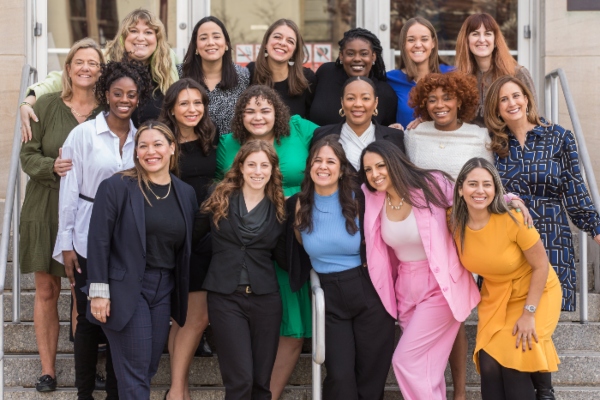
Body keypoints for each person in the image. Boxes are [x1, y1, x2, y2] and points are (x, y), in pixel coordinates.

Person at [485, 75, 600, 398]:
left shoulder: (558, 138)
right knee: (519, 326)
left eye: (516, 95)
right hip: (509, 244)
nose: (512, 103)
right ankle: (544, 393)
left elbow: (575, 191)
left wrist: (595, 227)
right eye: (503, 99)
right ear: (496, 108)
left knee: (538, 324)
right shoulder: (493, 144)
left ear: (527, 98)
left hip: (552, 238)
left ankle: (545, 393)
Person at [52, 60, 152, 399]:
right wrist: (66, 242)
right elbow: (69, 191)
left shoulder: (143, 138)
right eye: (117, 93)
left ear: (139, 98)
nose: (124, 100)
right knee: (88, 316)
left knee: (118, 316)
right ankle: (83, 393)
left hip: (126, 238)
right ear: (105, 94)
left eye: (132, 95)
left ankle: (114, 392)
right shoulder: (83, 135)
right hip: (86, 231)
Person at [215, 85, 318, 399]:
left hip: (291, 239)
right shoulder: (228, 144)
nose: (257, 117)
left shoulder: (300, 130)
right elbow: (227, 192)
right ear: (239, 116)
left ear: (279, 113)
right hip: (247, 243)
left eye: (265, 110)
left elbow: (337, 146)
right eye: (250, 111)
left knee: (292, 327)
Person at [360, 141, 480, 400]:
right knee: (427, 371)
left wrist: (510, 200)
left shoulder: (430, 184)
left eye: (381, 165)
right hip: (405, 287)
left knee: (406, 361)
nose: (375, 174)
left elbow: (471, 198)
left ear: (395, 162)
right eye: (368, 169)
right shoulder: (373, 199)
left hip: (439, 286)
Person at [86, 121, 197, 399]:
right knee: (135, 372)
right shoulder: (117, 186)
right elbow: (98, 240)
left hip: (163, 289)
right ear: (135, 151)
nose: (150, 151)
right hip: (126, 289)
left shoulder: (185, 193)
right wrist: (98, 292)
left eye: (158, 144)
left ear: (172, 148)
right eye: (143, 145)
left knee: (146, 367)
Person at [19, 37, 104, 393]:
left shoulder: (108, 109)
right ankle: (48, 370)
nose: (85, 68)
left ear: (102, 71)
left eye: (93, 63)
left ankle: (87, 366)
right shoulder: (47, 105)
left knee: (81, 290)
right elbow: (27, 156)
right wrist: (51, 165)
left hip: (87, 210)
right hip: (45, 206)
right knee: (46, 289)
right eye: (79, 62)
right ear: (67, 68)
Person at [287, 137, 395, 399]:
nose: (323, 167)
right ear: (309, 166)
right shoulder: (298, 204)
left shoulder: (361, 198)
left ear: (341, 167)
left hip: (368, 292)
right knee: (340, 376)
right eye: (317, 161)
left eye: (330, 161)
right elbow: (297, 249)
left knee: (370, 377)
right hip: (329, 298)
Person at [450, 157, 562, 400]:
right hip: (497, 294)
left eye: (487, 184)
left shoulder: (514, 219)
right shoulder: (453, 221)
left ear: (496, 189)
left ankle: (544, 392)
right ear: (460, 189)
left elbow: (541, 266)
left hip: (537, 291)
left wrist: (529, 313)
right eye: (472, 184)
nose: (480, 191)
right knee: (489, 363)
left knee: (513, 362)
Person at [198, 140, 286, 399]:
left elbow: (284, 256)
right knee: (240, 381)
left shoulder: (281, 206)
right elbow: (192, 237)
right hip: (225, 298)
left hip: (266, 299)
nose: (257, 171)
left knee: (260, 382)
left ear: (272, 170)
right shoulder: (219, 196)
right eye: (251, 164)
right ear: (240, 167)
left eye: (264, 165)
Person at [20, 8, 178, 139]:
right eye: (134, 31)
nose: (140, 38)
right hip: (113, 149)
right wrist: (28, 101)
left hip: (154, 149)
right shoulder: (107, 58)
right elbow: (63, 77)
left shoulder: (168, 60)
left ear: (157, 39)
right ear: (123, 37)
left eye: (148, 32)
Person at [159, 78, 218, 400]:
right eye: (184, 103)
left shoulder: (212, 138)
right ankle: (178, 389)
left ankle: (176, 387)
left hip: (207, 235)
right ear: (171, 108)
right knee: (189, 317)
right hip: (173, 233)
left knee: (191, 317)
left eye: (197, 103)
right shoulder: (161, 141)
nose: (192, 109)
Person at [405, 71, 491, 179]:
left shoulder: (480, 136)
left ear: (459, 102)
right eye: (432, 100)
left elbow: (490, 180)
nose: (440, 105)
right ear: (425, 104)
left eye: (447, 98)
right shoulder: (413, 134)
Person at [455, 13, 536, 127]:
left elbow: (532, 114)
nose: (482, 39)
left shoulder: (517, 73)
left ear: (495, 40)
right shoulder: (459, 78)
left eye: (488, 34)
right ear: (466, 41)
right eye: (475, 34)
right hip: (473, 142)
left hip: (509, 141)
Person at [312, 76, 405, 173]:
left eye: (365, 98)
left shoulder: (394, 137)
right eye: (351, 98)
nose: (358, 104)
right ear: (342, 102)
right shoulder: (322, 135)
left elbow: (401, 178)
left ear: (375, 102)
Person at [309, 28, 397, 127]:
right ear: (341, 55)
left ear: (373, 56)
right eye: (350, 54)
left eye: (364, 54)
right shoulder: (326, 74)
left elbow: (387, 133)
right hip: (319, 141)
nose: (357, 59)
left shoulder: (385, 93)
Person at [179, 16, 250, 135]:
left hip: (232, 150)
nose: (210, 42)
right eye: (203, 38)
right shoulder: (179, 74)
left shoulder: (243, 76)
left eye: (216, 37)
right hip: (189, 150)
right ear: (196, 46)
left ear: (226, 43)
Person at [386, 17, 453, 129]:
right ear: (403, 44)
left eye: (424, 39)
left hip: (445, 143)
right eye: (411, 40)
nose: (418, 44)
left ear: (433, 43)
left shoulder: (451, 75)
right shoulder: (390, 79)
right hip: (404, 144)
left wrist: (430, 119)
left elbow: (464, 115)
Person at [247, 19, 316, 119]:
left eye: (290, 41)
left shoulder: (306, 78)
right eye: (277, 37)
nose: (283, 43)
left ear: (295, 51)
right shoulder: (251, 72)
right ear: (266, 43)